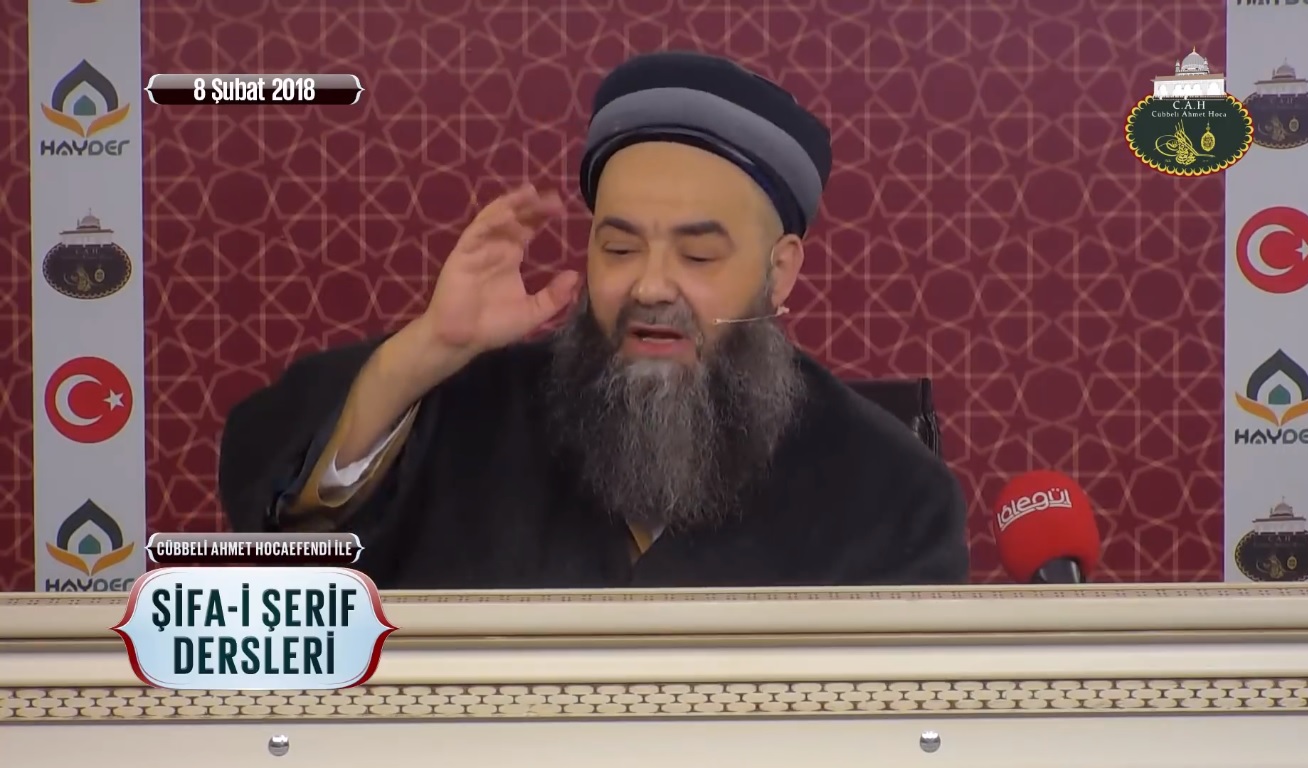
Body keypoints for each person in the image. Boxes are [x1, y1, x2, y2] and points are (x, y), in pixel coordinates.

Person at [219, 51, 969, 589]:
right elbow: (289, 539)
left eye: (697, 255)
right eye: (618, 247)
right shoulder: (468, 415)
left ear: (781, 270)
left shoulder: (889, 493)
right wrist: (427, 348)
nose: (650, 285)